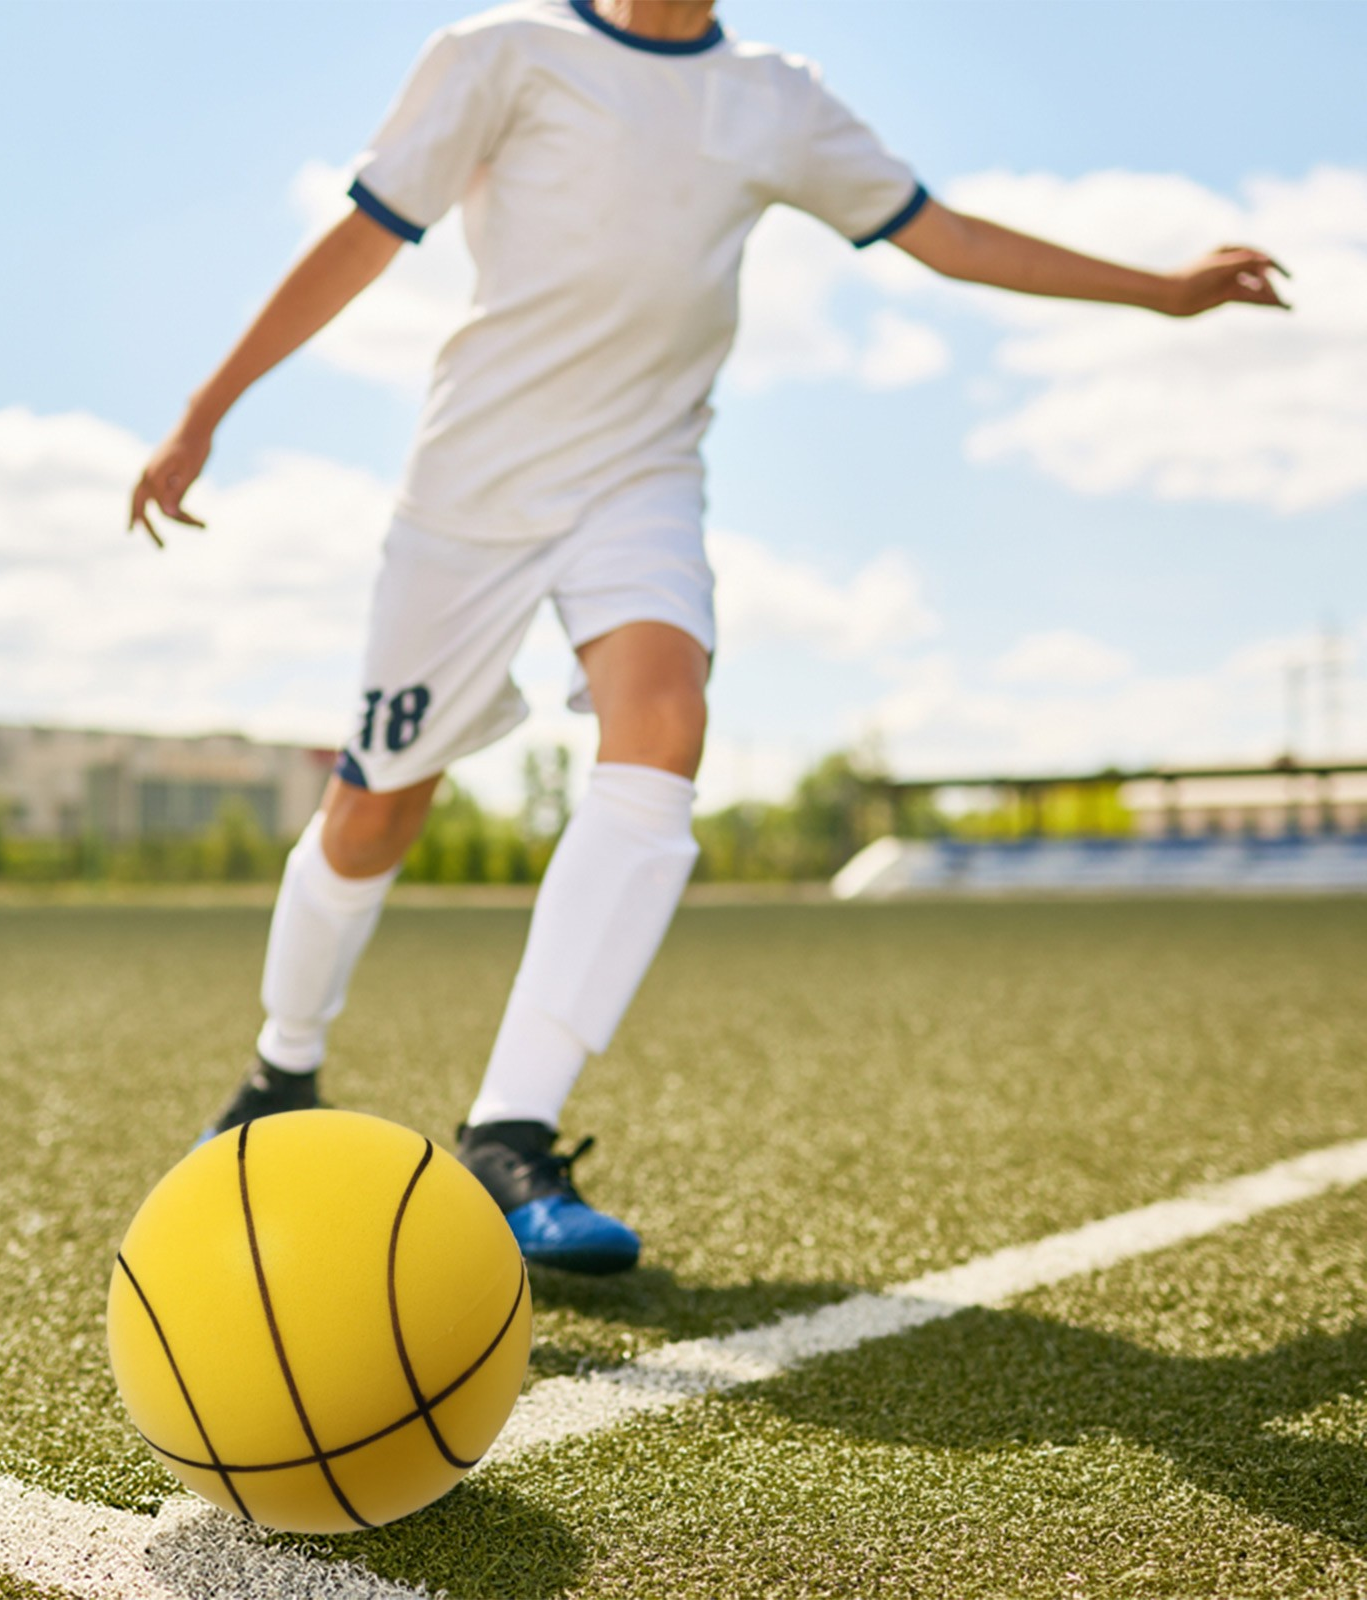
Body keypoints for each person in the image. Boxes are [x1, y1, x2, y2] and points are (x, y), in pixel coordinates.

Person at [129, 0, 1287, 1275]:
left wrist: (1162, 292)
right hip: (468, 497)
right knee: (377, 809)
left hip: (639, 480)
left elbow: (942, 235)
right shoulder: (500, 52)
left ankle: (510, 1131)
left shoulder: (774, 98)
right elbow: (364, 238)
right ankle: (281, 1067)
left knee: (665, 720)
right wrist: (204, 411)